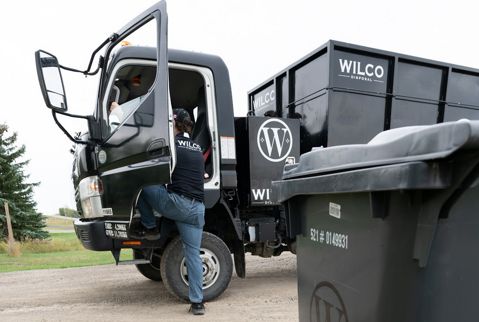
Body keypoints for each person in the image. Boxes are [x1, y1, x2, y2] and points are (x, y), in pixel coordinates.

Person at [134, 108, 206, 315]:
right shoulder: (197, 148)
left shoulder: (172, 146)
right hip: (198, 209)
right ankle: (197, 304)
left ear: (173, 124)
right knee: (193, 256)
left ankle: (149, 226)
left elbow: (155, 170)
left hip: (178, 205)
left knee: (142, 186)